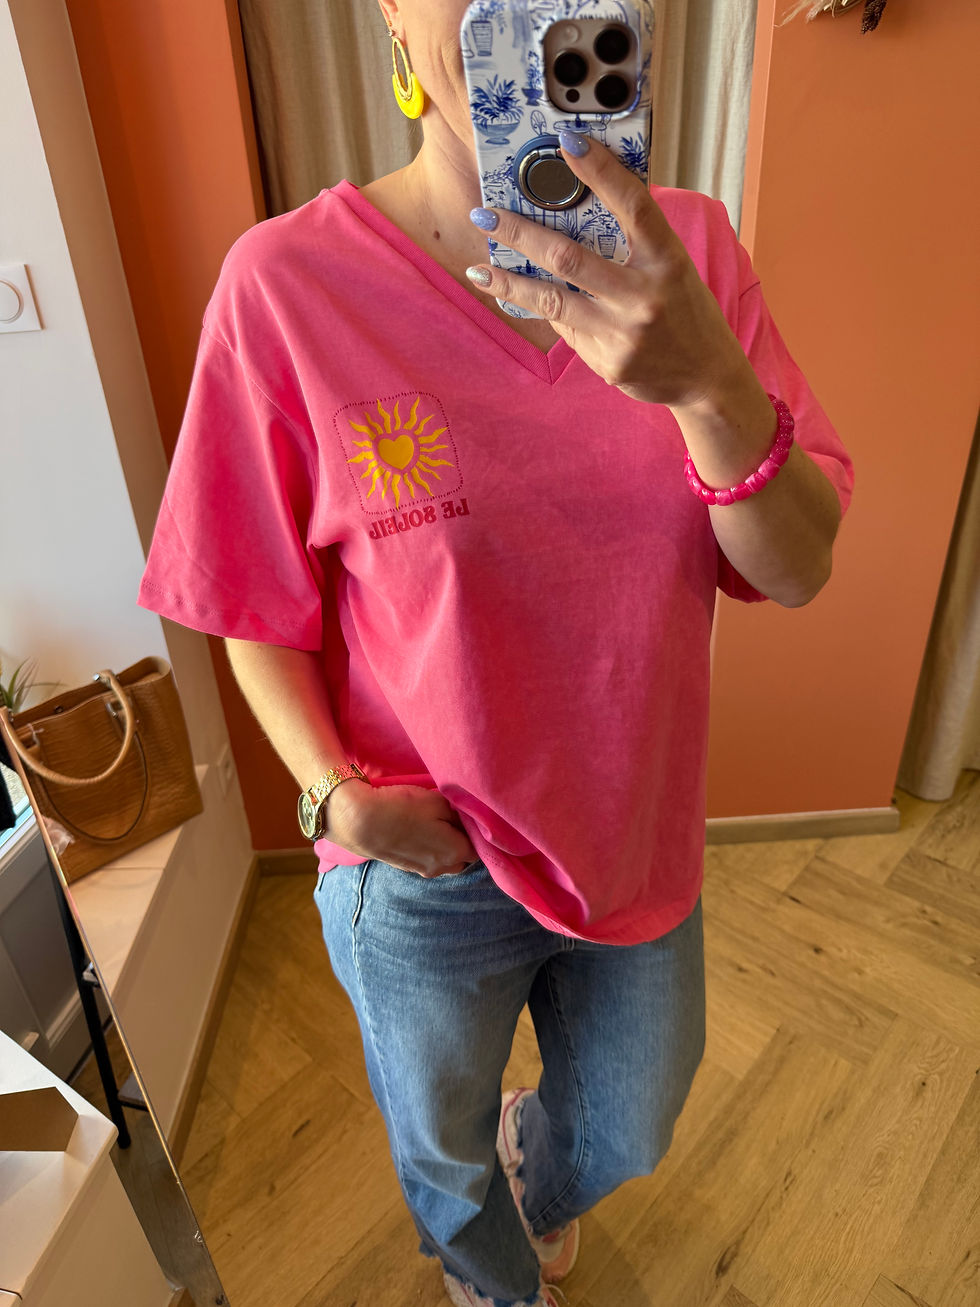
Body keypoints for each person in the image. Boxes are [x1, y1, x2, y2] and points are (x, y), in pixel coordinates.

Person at [138, 3, 853, 1304]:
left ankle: (545, 1173)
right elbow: (244, 601)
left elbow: (797, 569)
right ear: (391, 20)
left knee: (629, 1124)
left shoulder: (691, 256)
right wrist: (335, 797)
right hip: (423, 859)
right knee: (443, 1156)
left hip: (634, 831)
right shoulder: (287, 287)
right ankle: (494, 1284)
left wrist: (711, 385)